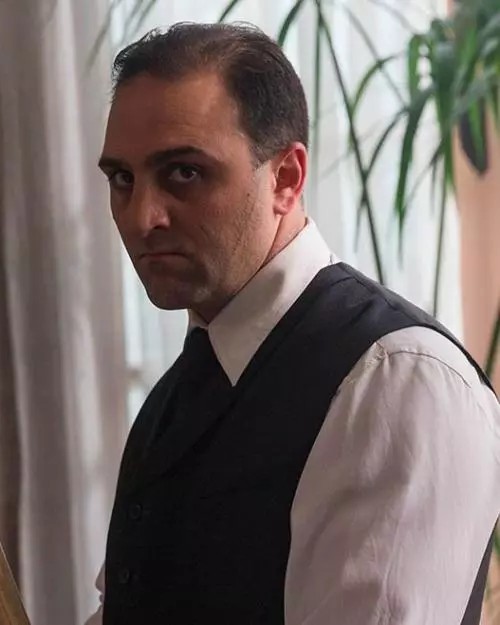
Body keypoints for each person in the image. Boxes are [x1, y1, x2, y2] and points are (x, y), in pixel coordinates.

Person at [87, 21, 500, 625]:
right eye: (122, 179)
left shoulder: (396, 381)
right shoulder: (178, 395)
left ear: (286, 177)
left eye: (183, 173)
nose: (142, 216)